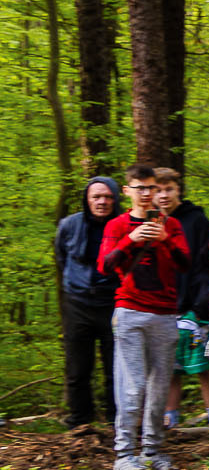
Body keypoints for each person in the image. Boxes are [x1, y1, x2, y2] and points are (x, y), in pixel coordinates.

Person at [97, 166, 189, 470]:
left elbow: (186, 263)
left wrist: (166, 239)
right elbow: (104, 266)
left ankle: (152, 450)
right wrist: (131, 239)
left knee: (159, 387)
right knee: (132, 386)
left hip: (165, 313)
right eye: (140, 188)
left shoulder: (171, 224)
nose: (147, 194)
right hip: (130, 312)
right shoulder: (118, 225)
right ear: (127, 191)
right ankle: (124, 454)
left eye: (151, 188)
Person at [53, 175, 121, 429]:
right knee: (78, 367)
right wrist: (76, 283)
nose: (102, 202)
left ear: (115, 199)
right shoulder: (69, 225)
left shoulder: (123, 225)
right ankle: (80, 422)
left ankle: (117, 420)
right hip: (77, 303)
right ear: (87, 199)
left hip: (114, 302)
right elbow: (62, 256)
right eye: (96, 197)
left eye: (108, 197)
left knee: (116, 365)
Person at [156, 168, 209, 433]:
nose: (163, 195)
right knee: (169, 368)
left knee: (203, 365)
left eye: (168, 189)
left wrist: (200, 305)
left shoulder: (197, 221)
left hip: (196, 307)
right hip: (164, 307)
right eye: (158, 190)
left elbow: (208, 266)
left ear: (178, 190)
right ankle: (170, 421)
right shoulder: (150, 222)